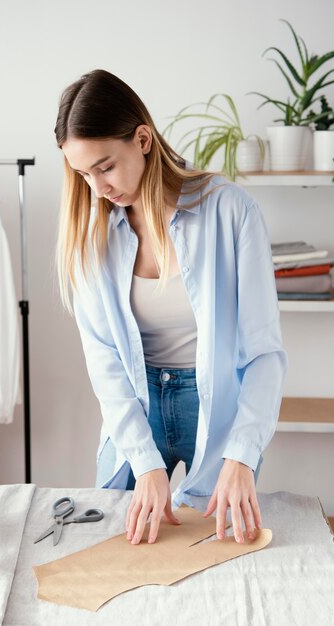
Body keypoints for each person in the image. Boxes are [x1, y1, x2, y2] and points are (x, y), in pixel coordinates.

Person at [54, 69, 287, 547]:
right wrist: (143, 461)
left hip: (217, 410)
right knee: (107, 544)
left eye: (105, 167)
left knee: (213, 552)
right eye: (83, 174)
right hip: (135, 412)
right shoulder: (90, 231)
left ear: (142, 139)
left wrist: (242, 455)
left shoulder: (230, 211)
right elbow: (105, 362)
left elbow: (264, 353)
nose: (97, 188)